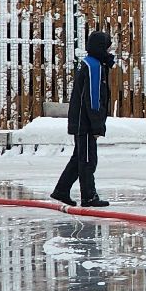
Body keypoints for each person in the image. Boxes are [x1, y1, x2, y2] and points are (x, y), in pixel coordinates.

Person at [52, 29, 114, 207]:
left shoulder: (88, 63)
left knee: (78, 158)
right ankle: (88, 196)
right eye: (108, 49)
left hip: (80, 120)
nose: (110, 53)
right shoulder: (93, 66)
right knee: (88, 159)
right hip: (85, 123)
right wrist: (96, 126)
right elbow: (94, 99)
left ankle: (61, 190)